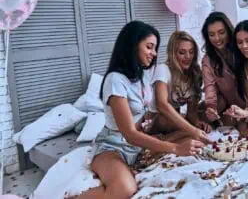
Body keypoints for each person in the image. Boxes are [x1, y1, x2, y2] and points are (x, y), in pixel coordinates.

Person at [78, 21, 205, 199]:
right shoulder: (115, 80)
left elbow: (148, 111)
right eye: (149, 47)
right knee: (125, 189)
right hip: (113, 146)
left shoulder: (141, 76)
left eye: (155, 48)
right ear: (132, 45)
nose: (153, 53)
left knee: (193, 140)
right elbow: (129, 133)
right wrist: (175, 148)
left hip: (138, 148)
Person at [145, 31, 212, 143]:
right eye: (182, 52)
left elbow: (191, 112)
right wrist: (192, 129)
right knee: (189, 131)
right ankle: (161, 141)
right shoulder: (163, 69)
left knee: (199, 124)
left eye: (191, 52)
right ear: (173, 53)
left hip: (175, 119)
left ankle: (171, 138)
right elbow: (162, 106)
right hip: (157, 120)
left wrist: (196, 122)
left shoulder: (195, 74)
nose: (188, 57)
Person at [200, 12, 247, 127]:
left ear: (229, 31)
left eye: (221, 33)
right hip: (230, 104)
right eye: (211, 34)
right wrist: (211, 107)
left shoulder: (242, 48)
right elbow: (209, 87)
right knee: (207, 111)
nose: (217, 39)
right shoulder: (208, 60)